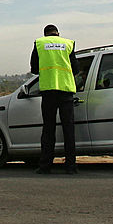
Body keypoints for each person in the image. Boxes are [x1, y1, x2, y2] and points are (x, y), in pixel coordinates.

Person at [30, 24, 79, 174]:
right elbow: (75, 69)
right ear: (58, 33)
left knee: (48, 130)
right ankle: (70, 166)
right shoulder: (67, 44)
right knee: (68, 130)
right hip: (65, 91)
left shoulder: (40, 44)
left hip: (49, 91)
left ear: (45, 35)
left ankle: (45, 166)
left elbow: (34, 68)